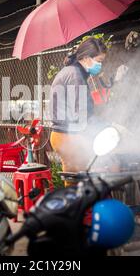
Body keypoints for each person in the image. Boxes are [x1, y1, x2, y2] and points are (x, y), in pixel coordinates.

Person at [49, 37, 108, 175]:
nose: (100, 65)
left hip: (62, 135)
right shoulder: (75, 76)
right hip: (67, 137)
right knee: (81, 182)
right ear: (87, 58)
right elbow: (81, 115)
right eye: (99, 61)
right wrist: (107, 126)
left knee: (73, 180)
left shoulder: (73, 72)